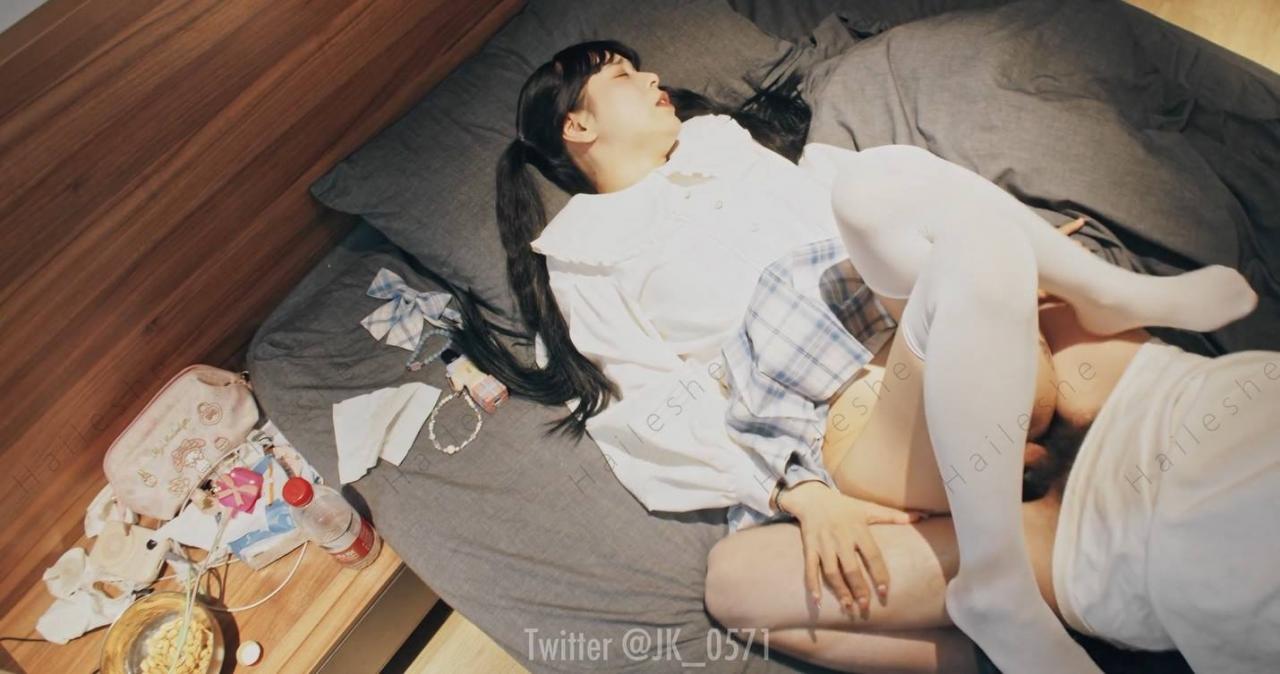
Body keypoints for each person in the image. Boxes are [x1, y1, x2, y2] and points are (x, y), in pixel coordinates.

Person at [452, 39, 1264, 672]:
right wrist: (799, 492)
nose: (654, 75)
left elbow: (870, 215)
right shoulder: (587, 260)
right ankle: (1003, 588)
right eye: (625, 75)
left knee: (881, 191)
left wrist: (1022, 243)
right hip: (869, 411)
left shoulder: (726, 147)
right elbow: (650, 409)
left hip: (935, 312)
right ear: (577, 125)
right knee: (739, 580)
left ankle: (1087, 298)